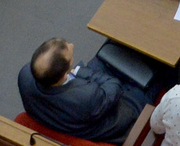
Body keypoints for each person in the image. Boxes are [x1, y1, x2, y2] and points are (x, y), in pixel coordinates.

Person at [20, 37, 149, 146]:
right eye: (70, 57)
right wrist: (79, 71)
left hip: (77, 110)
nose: (72, 45)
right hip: (122, 116)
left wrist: (76, 72)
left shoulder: (26, 75)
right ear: (65, 74)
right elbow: (113, 85)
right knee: (152, 74)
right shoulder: (87, 97)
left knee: (112, 45)